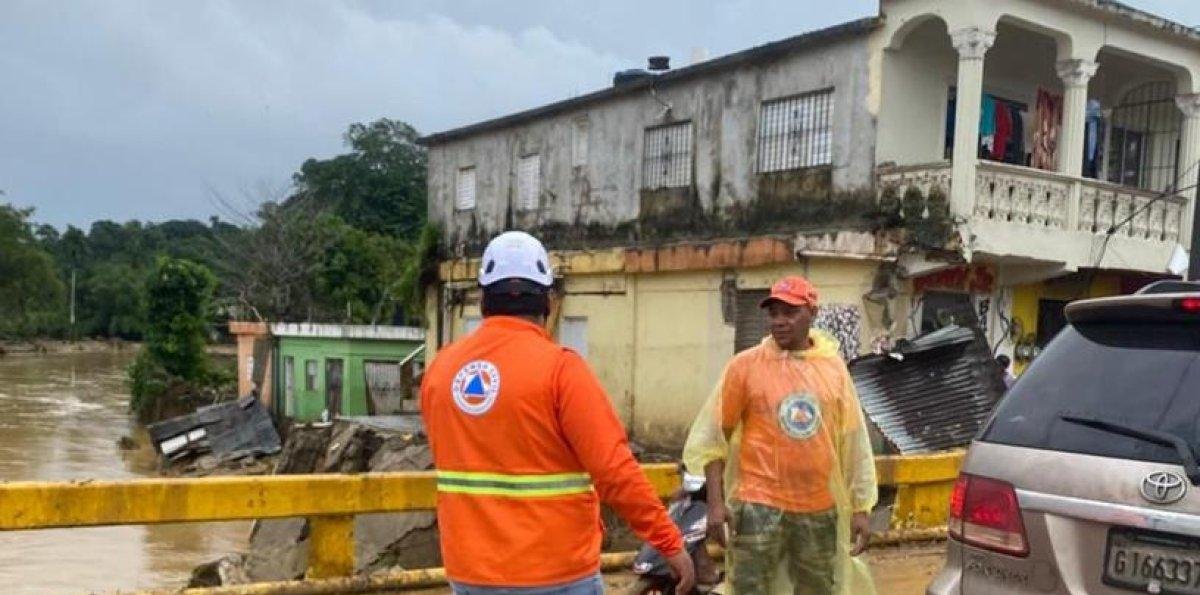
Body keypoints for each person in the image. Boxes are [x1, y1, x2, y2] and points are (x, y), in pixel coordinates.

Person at [421, 231, 694, 595]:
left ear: (484, 298)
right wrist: (669, 543)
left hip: (470, 573)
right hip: (555, 574)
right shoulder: (560, 369)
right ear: (547, 301)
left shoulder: (442, 370)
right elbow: (614, 469)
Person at [684, 276, 878, 595]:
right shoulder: (745, 367)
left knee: (816, 588)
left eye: (790, 313)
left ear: (812, 313)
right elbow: (714, 439)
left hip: (817, 508)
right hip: (757, 504)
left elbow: (853, 444)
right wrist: (716, 504)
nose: (779, 321)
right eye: (774, 313)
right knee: (748, 587)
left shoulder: (833, 370)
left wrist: (861, 508)